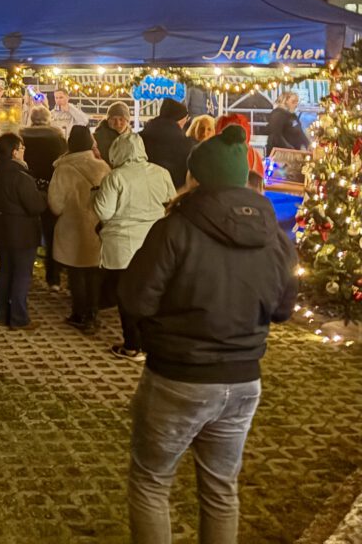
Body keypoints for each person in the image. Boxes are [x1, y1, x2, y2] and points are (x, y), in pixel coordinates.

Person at [120, 124, 297, 543]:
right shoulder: (275, 236)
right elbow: (283, 309)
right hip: (243, 381)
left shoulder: (174, 228)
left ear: (195, 178)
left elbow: (135, 299)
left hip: (178, 378)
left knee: (151, 481)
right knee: (220, 489)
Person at [94, 132, 176, 361]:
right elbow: (172, 203)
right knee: (151, 293)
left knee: (127, 297)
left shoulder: (116, 177)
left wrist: (95, 197)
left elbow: (104, 212)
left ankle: (133, 345)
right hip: (154, 242)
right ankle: (153, 341)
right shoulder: (162, 173)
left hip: (124, 245)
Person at [48, 126, 111, 332]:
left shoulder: (63, 169)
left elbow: (55, 205)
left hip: (72, 228)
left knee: (76, 273)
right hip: (98, 227)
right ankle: (93, 313)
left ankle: (79, 313)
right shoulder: (103, 167)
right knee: (94, 272)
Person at [0, 132, 45, 329]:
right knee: (22, 274)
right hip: (23, 232)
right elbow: (35, 206)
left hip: (2, 229)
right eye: (22, 148)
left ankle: (2, 313)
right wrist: (43, 196)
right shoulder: (21, 177)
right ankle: (19, 318)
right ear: (15, 152)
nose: (24, 152)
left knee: (5, 270)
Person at [20, 105, 68, 290]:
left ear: (32, 119)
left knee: (28, 233)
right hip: (50, 188)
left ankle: (26, 272)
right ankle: (53, 278)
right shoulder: (57, 139)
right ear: (49, 119)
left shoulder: (22, 137)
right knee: (51, 234)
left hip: (27, 188)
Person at [140, 97, 196, 190]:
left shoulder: (142, 136)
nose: (186, 121)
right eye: (185, 118)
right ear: (179, 119)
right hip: (175, 191)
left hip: (146, 188)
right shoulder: (186, 143)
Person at [94, 102, 131, 169]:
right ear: (108, 120)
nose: (118, 123)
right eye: (113, 119)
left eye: (121, 119)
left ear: (127, 121)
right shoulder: (97, 139)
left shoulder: (134, 139)